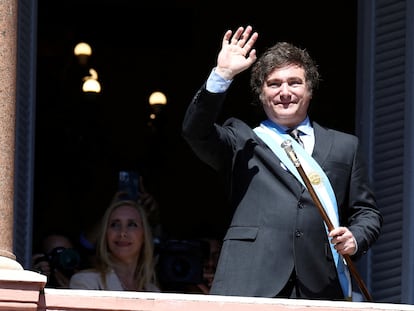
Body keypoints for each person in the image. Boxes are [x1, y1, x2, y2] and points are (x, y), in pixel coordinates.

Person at [181, 25, 383, 300]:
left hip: (319, 285)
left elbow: (367, 213)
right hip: (251, 280)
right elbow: (195, 131)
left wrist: (355, 238)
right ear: (261, 94)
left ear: (310, 89)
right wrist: (223, 75)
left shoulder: (345, 146)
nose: (284, 92)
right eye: (274, 84)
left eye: (294, 82)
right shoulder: (242, 140)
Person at [69, 196, 160, 292]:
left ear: (144, 236)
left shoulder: (153, 291)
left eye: (131, 225)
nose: (122, 233)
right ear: (106, 235)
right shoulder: (86, 282)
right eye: (115, 225)